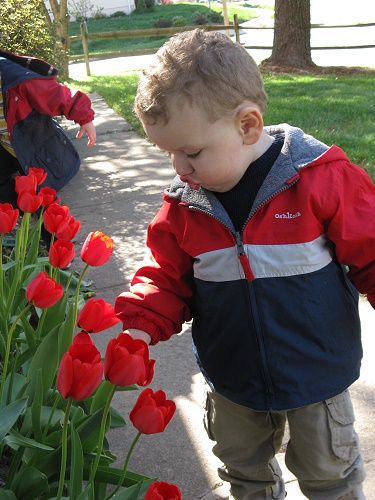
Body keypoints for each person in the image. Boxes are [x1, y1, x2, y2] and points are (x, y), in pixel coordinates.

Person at [115, 29, 375, 499]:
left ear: (248, 125)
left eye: (191, 152)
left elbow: (372, 253)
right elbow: (165, 279)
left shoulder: (321, 182)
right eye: (167, 152)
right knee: (244, 475)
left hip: (317, 371)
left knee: (329, 476)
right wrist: (139, 324)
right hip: (232, 377)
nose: (178, 167)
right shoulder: (183, 207)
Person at [0, 49, 96, 208]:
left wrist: (84, 117)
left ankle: (50, 229)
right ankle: (13, 217)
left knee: (41, 199)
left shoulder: (18, 81)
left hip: (33, 147)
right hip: (7, 148)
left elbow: (56, 94)